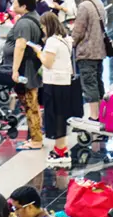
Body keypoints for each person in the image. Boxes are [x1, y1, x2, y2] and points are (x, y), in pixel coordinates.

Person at [29, 13, 79, 161]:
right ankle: (61, 147)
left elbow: (48, 63)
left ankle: (60, 150)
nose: (43, 29)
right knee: (61, 116)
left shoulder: (52, 41)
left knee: (55, 115)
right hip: (64, 82)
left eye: (43, 27)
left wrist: (38, 52)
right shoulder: (65, 38)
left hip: (54, 82)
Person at [5, 0, 45, 151]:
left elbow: (20, 46)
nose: (12, 5)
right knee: (31, 103)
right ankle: (35, 136)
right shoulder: (36, 17)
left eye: (15, 2)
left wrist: (14, 70)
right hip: (31, 67)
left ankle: (36, 139)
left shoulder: (24, 23)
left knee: (30, 103)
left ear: (24, 6)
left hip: (25, 69)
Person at [71, 0, 107, 122]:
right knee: (98, 82)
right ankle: (101, 113)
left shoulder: (84, 6)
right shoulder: (98, 2)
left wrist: (70, 43)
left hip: (87, 51)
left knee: (89, 83)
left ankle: (94, 116)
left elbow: (78, 31)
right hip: (99, 50)